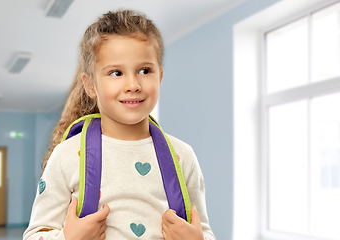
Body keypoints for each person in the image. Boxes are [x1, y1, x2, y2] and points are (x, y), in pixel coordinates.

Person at [23, 10, 216, 240]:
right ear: (90, 85)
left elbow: (204, 230)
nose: (133, 84)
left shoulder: (182, 156)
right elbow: (35, 235)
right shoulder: (66, 157)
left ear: (160, 77)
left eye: (145, 70)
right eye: (116, 73)